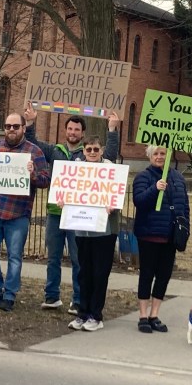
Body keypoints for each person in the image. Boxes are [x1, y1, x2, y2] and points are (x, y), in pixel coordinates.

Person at [0, 111, 50, 312]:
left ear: (24, 128)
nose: (11, 130)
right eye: (8, 126)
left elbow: (45, 180)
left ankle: (9, 294)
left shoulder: (34, 151)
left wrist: (33, 174)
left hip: (17, 213)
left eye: (16, 126)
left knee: (14, 256)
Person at [22, 103, 86, 314]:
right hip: (55, 213)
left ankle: (78, 300)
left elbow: (110, 156)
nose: (73, 132)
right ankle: (52, 296)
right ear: (65, 131)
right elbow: (33, 144)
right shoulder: (55, 151)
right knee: (53, 257)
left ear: (82, 133)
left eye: (77, 130)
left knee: (78, 260)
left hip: (77, 214)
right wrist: (30, 122)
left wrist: (112, 130)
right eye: (70, 129)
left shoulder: (88, 155)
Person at [68, 114, 121, 332]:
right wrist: (64, 201)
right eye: (88, 149)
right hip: (83, 230)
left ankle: (96, 315)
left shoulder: (110, 169)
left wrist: (113, 205)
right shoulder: (77, 169)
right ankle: (82, 312)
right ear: (83, 150)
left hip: (104, 232)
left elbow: (117, 195)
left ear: (101, 151)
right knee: (84, 272)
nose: (91, 153)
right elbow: (68, 190)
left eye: (95, 149)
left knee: (100, 273)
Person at [131, 144, 190, 333]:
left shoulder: (178, 178)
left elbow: (184, 206)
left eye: (162, 153)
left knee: (164, 276)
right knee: (147, 274)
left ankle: (154, 314)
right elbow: (139, 201)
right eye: (155, 153)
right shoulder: (143, 177)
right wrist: (155, 189)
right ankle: (142, 315)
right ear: (149, 156)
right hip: (149, 234)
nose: (159, 156)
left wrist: (185, 227)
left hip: (170, 235)